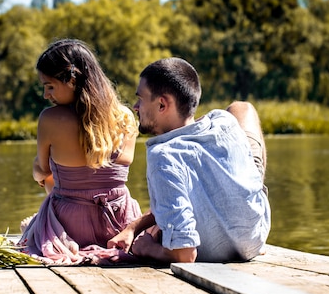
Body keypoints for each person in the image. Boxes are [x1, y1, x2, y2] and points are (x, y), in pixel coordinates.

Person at [108, 57, 270, 263]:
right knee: (241, 108)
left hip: (213, 251)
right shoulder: (223, 121)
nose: (135, 106)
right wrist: (134, 226)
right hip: (255, 238)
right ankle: (247, 205)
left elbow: (185, 254)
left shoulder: (163, 157)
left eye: (140, 98)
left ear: (162, 104)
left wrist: (146, 248)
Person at [17, 39, 142, 264]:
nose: (46, 95)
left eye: (50, 86)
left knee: (48, 178)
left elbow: (42, 169)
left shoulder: (50, 118)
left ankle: (40, 227)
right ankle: (37, 223)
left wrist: (39, 174)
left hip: (72, 226)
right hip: (118, 224)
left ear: (72, 80)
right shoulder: (125, 117)